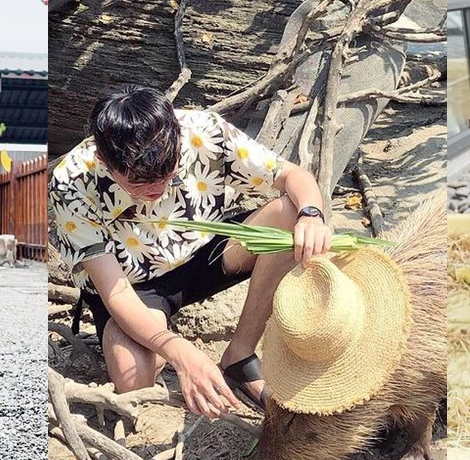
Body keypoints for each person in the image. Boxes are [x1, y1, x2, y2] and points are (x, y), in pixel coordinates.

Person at [50, 85, 333, 418]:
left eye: (168, 176)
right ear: (103, 161)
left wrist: (311, 214)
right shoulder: (71, 180)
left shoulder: (204, 131)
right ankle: (138, 332)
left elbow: (292, 175)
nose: (156, 191)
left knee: (288, 215)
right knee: (134, 379)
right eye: (138, 185)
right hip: (135, 285)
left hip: (206, 251)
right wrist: (180, 352)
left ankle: (239, 356)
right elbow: (118, 294)